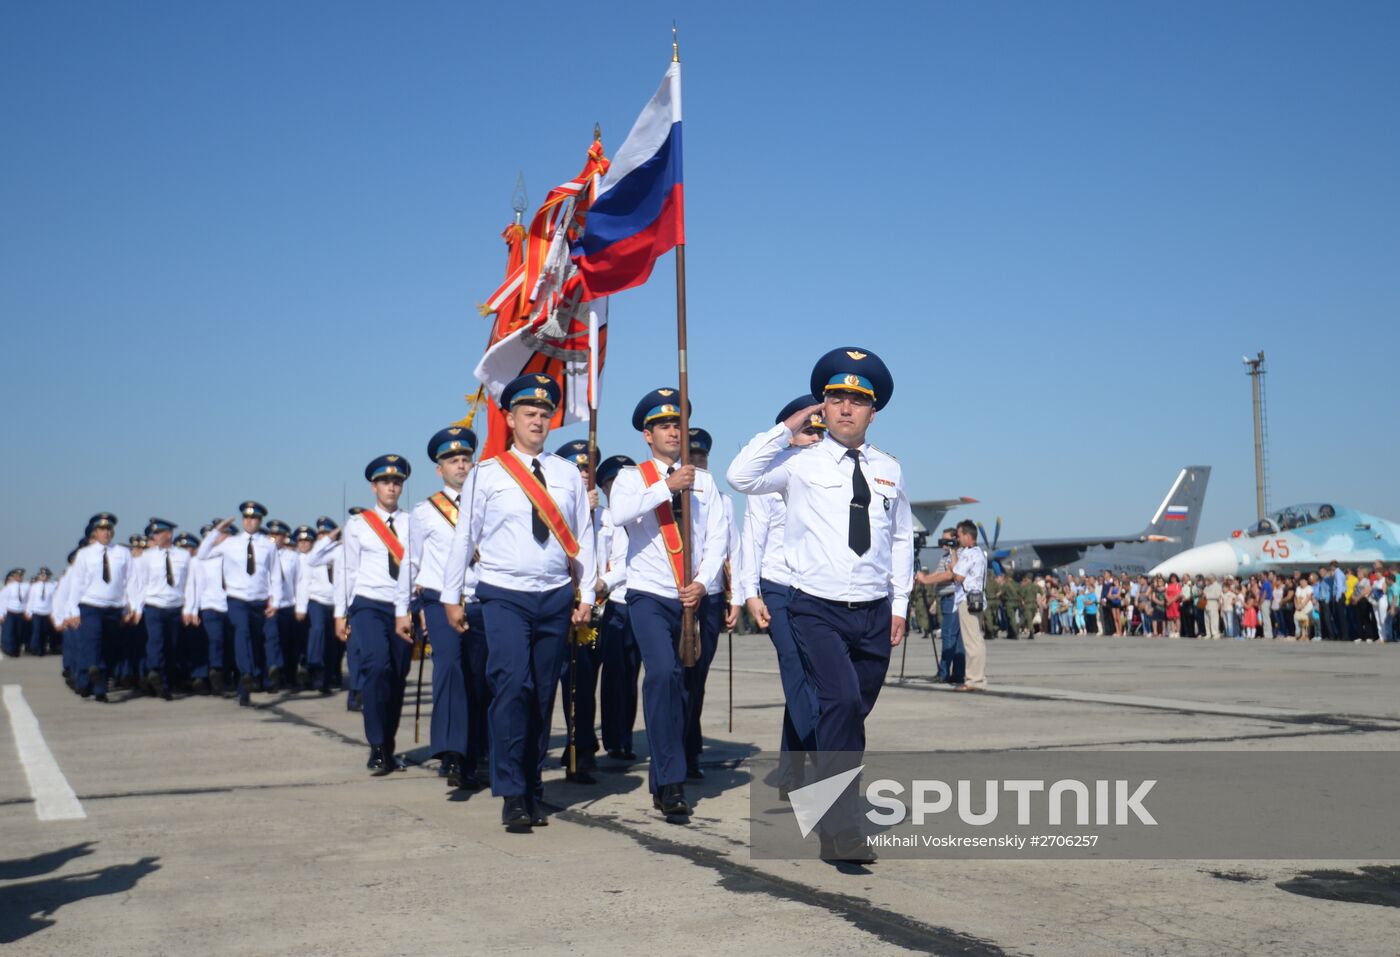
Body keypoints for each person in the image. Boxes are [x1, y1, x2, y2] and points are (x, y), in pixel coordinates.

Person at [728, 347, 912, 864]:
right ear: (821, 409)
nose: (846, 408)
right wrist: (785, 429)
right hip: (817, 608)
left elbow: (900, 539)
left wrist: (900, 602)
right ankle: (840, 829)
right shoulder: (797, 464)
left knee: (851, 716)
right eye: (835, 399)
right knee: (840, 705)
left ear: (874, 411)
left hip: (875, 611)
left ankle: (829, 805)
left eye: (858, 400)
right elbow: (740, 477)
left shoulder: (890, 470)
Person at [439, 374, 595, 830]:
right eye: (529, 414)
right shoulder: (487, 473)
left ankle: (531, 784)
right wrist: (452, 596)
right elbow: (464, 537)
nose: (538, 421)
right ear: (509, 419)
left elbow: (582, 539)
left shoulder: (566, 474)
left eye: (545, 414)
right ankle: (510, 791)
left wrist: (586, 592)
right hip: (503, 594)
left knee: (543, 693)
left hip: (554, 595)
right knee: (512, 686)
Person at [610, 387, 727, 819]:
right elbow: (619, 514)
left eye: (677, 425)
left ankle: (666, 776)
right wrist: (666, 486)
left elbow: (718, 538)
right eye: (662, 426)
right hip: (649, 593)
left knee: (683, 685)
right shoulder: (632, 478)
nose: (672, 432)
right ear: (647, 435)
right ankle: (672, 779)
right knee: (661, 675)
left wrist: (702, 582)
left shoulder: (707, 482)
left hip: (691, 595)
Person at [740, 396, 826, 792]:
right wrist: (749, 593)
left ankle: (792, 772)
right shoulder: (769, 479)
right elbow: (752, 540)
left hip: (814, 587)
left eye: (820, 431)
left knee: (812, 678)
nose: (815, 437)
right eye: (808, 429)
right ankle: (824, 763)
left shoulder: (826, 477)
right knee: (796, 670)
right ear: (789, 434)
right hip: (776, 587)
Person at [409, 425, 490, 792]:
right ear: (439, 469)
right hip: (440, 600)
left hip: (480, 599)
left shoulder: (488, 504)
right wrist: (406, 608)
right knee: (450, 671)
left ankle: (476, 750)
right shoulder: (425, 512)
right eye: (453, 460)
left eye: (466, 459)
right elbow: (411, 564)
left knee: (478, 676)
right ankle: (452, 752)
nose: (461, 465)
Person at [338, 455, 415, 774]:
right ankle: (377, 745)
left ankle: (389, 744)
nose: (392, 487)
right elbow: (346, 571)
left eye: (397, 482)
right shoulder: (358, 525)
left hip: (403, 607)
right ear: (374, 487)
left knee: (397, 675)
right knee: (377, 667)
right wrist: (339, 612)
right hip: (368, 604)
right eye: (386, 482)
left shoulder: (413, 523)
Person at [683, 426, 743, 781]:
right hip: (677, 594)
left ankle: (691, 747)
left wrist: (733, 598)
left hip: (712, 596)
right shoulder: (671, 495)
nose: (698, 462)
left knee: (698, 677)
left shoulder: (722, 500)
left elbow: (732, 550)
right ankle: (681, 746)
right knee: (679, 677)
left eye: (702, 456)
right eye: (692, 457)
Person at [196, 502, 287, 705]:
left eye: (254, 518)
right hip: (237, 599)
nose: (249, 521)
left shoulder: (268, 545)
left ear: (260, 521)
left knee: (253, 642)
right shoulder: (230, 543)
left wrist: (276, 601)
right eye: (246, 518)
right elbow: (202, 554)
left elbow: (276, 575)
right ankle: (246, 673)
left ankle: (243, 688)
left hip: (259, 600)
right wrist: (217, 531)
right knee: (242, 632)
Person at [552, 438, 603, 784]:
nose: (584, 473)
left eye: (588, 468)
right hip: (556, 602)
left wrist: (601, 583)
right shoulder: (553, 510)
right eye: (577, 467)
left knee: (583, 684)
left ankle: (582, 750)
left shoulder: (610, 514)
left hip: (594, 609)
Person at [595, 454, 640, 762]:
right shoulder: (601, 518)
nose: (618, 487)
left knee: (630, 675)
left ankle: (623, 738)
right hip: (606, 605)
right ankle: (610, 738)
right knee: (611, 676)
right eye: (611, 483)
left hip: (635, 601)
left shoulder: (640, 515)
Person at [65, 513, 131, 701]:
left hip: (114, 607)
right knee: (93, 641)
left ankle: (100, 688)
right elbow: (77, 584)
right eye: (102, 529)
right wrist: (73, 610)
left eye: (109, 529)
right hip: (91, 605)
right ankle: (93, 671)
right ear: (95, 532)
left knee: (109, 648)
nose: (106, 532)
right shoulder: (85, 554)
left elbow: (130, 581)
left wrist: (129, 607)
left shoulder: (122, 552)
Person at [134, 518, 193, 699]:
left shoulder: (184, 556)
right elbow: (140, 584)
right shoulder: (147, 556)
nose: (156, 536)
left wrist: (189, 608)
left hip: (175, 606)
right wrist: (137, 608)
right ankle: (154, 670)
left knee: (171, 647)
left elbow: (189, 584)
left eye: (159, 533)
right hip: (154, 605)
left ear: (169, 534)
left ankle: (164, 685)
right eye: (155, 534)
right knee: (156, 641)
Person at [915, 527, 964, 685]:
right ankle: (957, 673)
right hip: (947, 599)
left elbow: (950, 575)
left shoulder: (957, 555)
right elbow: (938, 573)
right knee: (955, 638)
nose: (943, 542)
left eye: (946, 539)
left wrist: (926, 580)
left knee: (949, 636)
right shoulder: (946, 556)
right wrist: (925, 577)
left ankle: (944, 672)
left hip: (952, 598)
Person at [300, 517, 343, 693]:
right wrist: (301, 608)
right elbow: (303, 582)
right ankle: (314, 664)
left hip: (336, 603)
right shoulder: (315, 554)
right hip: (317, 600)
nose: (322, 536)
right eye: (320, 534)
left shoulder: (342, 550)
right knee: (317, 629)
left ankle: (329, 677)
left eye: (326, 533)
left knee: (335, 643)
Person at [23, 568, 57, 656]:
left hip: (47, 612)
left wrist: (54, 613)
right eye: (41, 575)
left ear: (48, 576)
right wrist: (28, 611)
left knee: (44, 631)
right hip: (36, 611)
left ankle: (42, 649)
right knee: (36, 630)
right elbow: (31, 600)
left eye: (44, 575)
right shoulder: (34, 587)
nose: (42, 577)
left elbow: (54, 601)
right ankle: (34, 648)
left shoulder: (52, 586)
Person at [1, 569, 29, 657]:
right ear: (13, 577)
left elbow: (28, 601)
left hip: (21, 612)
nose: (19, 577)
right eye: (17, 575)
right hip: (10, 612)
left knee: (18, 632)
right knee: (9, 632)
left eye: (21, 576)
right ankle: (9, 649)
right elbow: (2, 602)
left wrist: (27, 612)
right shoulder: (8, 588)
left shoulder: (26, 587)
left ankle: (16, 649)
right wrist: (1, 614)